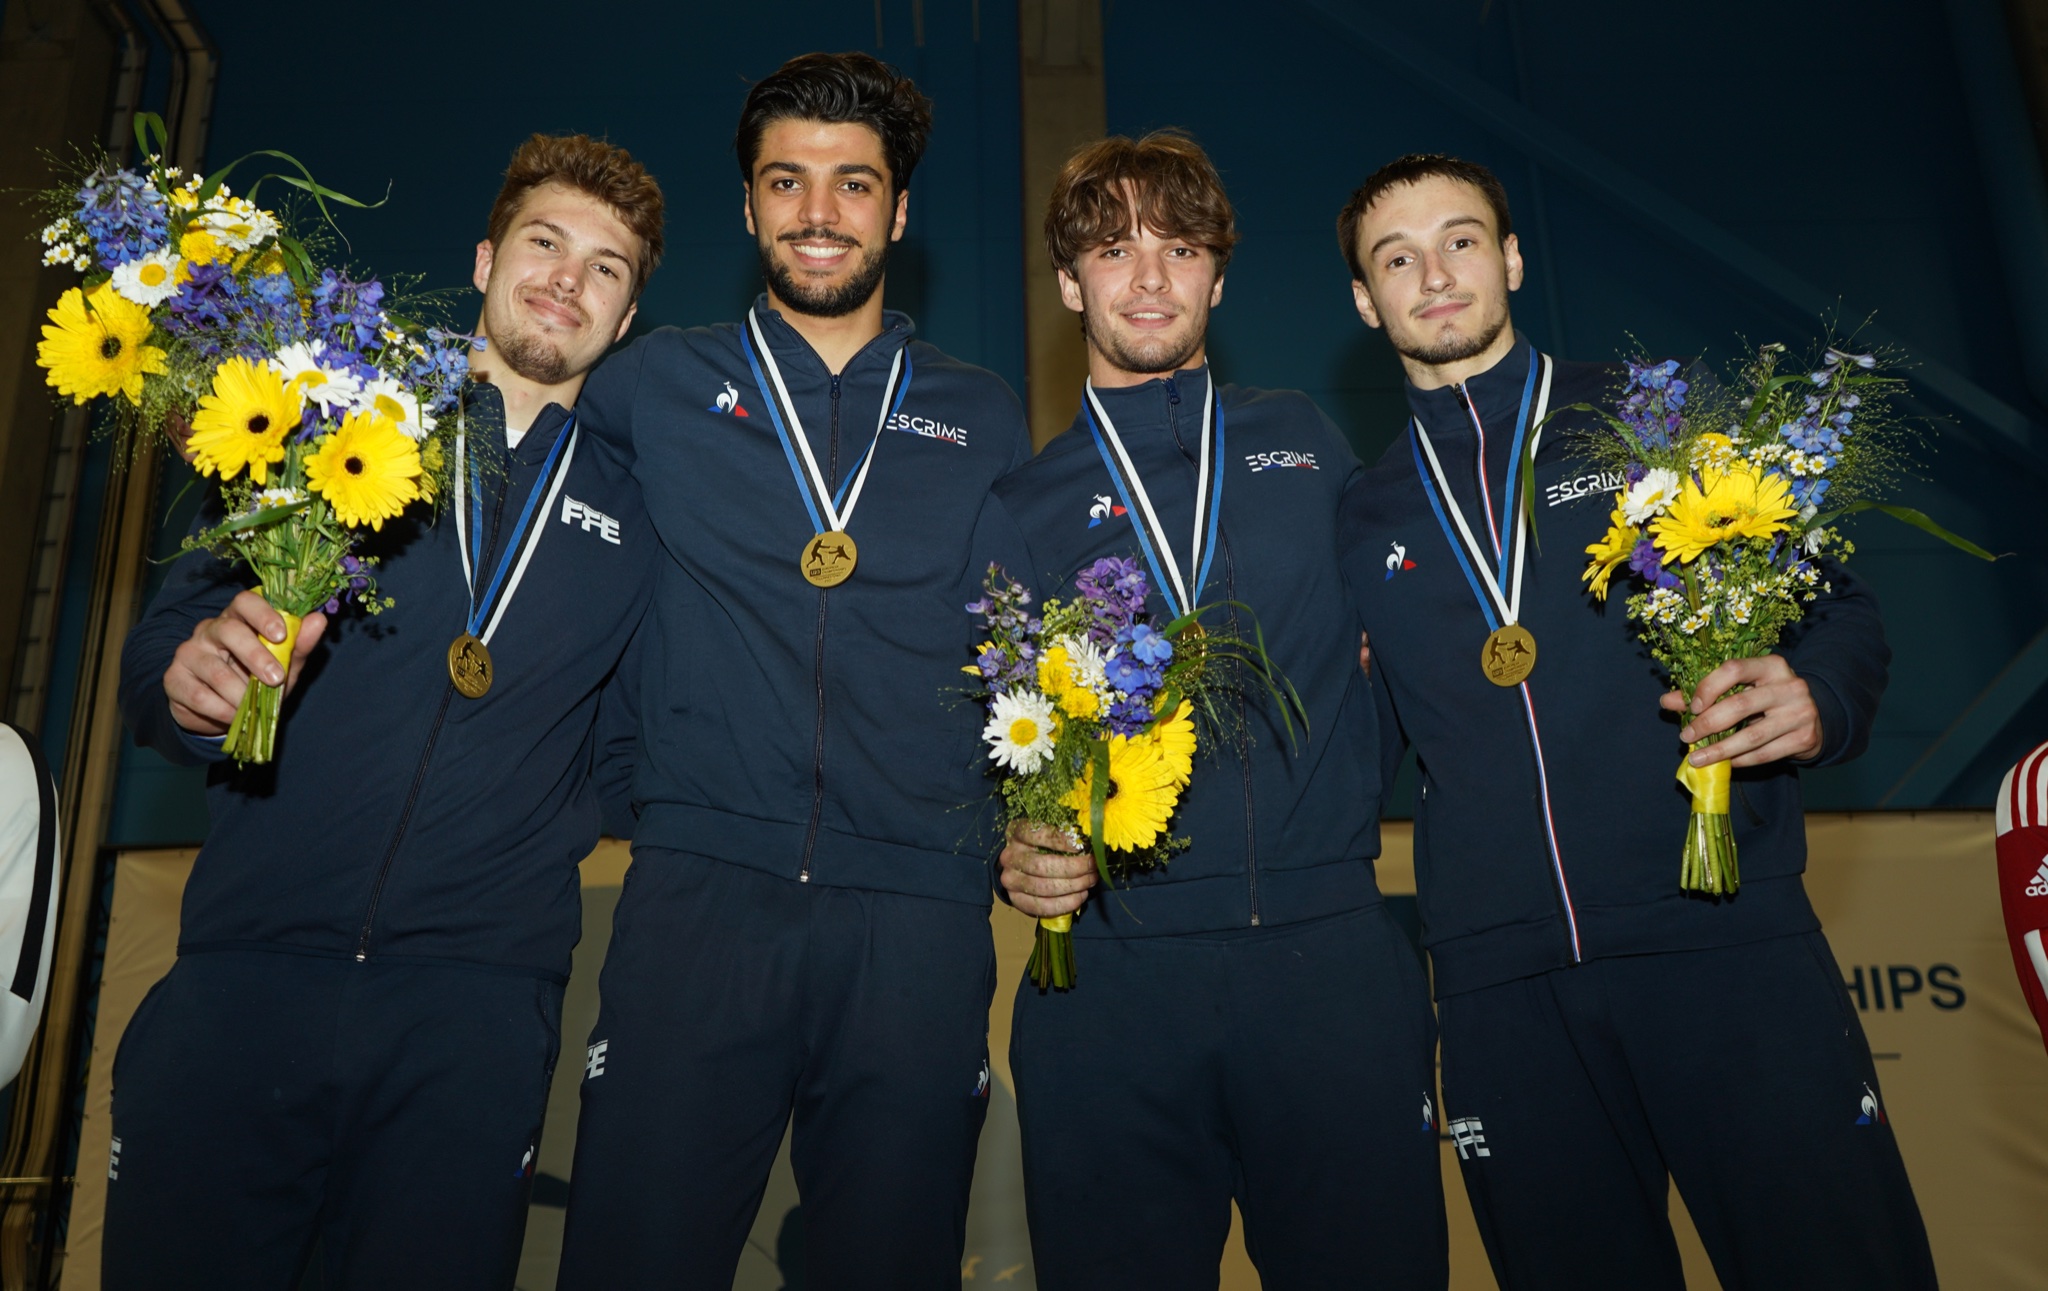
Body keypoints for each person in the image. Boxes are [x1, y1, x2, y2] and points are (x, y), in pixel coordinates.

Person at [1334, 152, 1934, 1288]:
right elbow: (1357, 760)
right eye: (1396, 257)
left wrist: (1821, 698)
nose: (1435, 274)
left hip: (1719, 942)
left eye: (1460, 240)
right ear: (1365, 301)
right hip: (1501, 993)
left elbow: (1836, 605)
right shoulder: (1361, 514)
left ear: (1509, 258)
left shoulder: (1646, 417)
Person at [107, 133, 661, 1288]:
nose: (569, 277)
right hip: (246, 969)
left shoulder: (641, 502)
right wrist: (186, 686)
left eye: (607, 267)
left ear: (626, 317)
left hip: (477, 1014)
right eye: (545, 242)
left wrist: (533, 812)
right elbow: (172, 634)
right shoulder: (333, 416)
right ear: (483, 258)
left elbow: (633, 740)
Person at [555, 53, 1031, 1289]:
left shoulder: (981, 413)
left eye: (853, 184)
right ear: (752, 203)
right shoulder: (649, 386)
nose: (819, 212)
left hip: (917, 921)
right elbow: (545, 562)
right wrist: (640, 788)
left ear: (899, 211)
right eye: (788, 181)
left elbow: (1028, 649)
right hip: (697, 902)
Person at [987, 132, 1445, 1290]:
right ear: (1064, 284)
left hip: (1328, 959)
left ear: (1217, 278)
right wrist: (1009, 840)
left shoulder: (1304, 439)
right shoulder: (1020, 500)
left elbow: (1407, 638)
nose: (1147, 278)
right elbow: (973, 724)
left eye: (1179, 249)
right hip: (1111, 984)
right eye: (1112, 249)